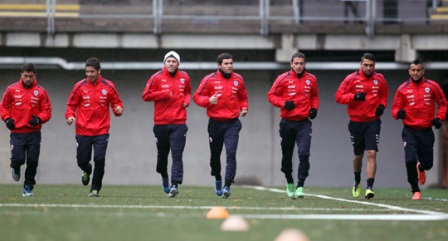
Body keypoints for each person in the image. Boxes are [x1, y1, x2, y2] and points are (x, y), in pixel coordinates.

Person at [65, 57, 124, 197]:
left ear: (99, 71)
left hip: (102, 131)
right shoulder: (79, 86)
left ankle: (95, 188)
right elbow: (70, 105)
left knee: (100, 159)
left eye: (92, 72)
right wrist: (69, 116)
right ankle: (86, 169)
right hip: (82, 130)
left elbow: (117, 104)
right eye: (87, 72)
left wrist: (118, 110)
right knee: (82, 161)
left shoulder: (108, 86)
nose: (89, 75)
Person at [193, 53, 249, 198]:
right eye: (226, 63)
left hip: (232, 123)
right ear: (219, 65)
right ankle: (218, 177)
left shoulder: (238, 79)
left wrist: (244, 108)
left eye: (231, 63)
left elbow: (243, 97)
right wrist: (208, 100)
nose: (229, 66)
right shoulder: (209, 79)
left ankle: (227, 185)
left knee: (231, 153)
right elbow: (196, 97)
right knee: (215, 156)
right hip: (215, 123)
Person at [391, 59, 447, 200]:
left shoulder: (432, 86)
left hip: (426, 131)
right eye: (413, 70)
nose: (415, 72)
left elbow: (443, 104)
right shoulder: (402, 88)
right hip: (409, 130)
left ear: (423, 71)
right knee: (410, 160)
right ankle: (415, 190)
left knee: (428, 164)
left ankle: (421, 167)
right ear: (409, 71)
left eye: (418, 70)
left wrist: (439, 118)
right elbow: (394, 109)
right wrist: (398, 113)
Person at [335, 52, 389, 199]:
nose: (368, 68)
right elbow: (338, 97)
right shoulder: (351, 79)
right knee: (358, 155)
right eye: (365, 65)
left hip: (373, 121)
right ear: (360, 65)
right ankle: (357, 179)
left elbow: (384, 95)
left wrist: (382, 106)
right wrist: (354, 97)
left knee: (372, 153)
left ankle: (369, 187)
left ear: (374, 66)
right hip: (356, 122)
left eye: (371, 65)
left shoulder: (380, 79)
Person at [267, 52, 319, 199]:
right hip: (287, 123)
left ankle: (301, 186)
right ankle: (289, 181)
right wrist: (283, 103)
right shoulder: (282, 78)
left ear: (305, 64)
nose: (298, 66)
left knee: (304, 153)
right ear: (291, 64)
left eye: (301, 63)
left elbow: (314, 95)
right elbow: (271, 95)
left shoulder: (311, 79)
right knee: (287, 155)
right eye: (296, 63)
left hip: (303, 123)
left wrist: (314, 108)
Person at [142, 51, 191, 198]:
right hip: (161, 124)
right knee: (162, 157)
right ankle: (164, 176)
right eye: (168, 61)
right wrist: (163, 94)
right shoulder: (156, 77)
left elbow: (188, 92)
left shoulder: (184, 77)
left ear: (178, 64)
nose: (171, 63)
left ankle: (175, 184)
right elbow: (145, 96)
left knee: (177, 155)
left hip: (179, 123)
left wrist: (186, 101)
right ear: (164, 63)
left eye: (174, 61)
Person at [0, 63, 52, 196]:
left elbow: (47, 111)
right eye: (25, 76)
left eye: (31, 76)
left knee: (33, 161)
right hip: (17, 133)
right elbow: (3, 107)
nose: (28, 79)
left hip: (34, 133)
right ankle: (15, 168)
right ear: (21, 75)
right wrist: (7, 119)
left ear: (35, 76)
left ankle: (28, 187)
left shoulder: (41, 91)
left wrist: (39, 119)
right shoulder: (11, 89)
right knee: (18, 159)